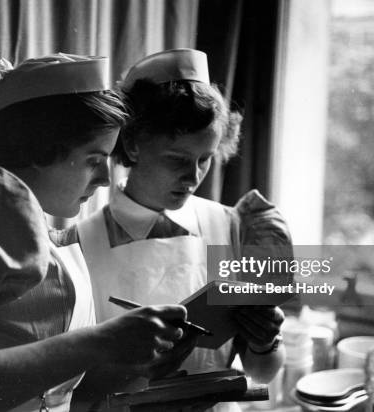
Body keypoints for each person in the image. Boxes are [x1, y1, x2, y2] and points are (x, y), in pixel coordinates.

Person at [0, 54, 196, 412]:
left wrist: (141, 365)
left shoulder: (49, 240)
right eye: (94, 160)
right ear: (40, 148)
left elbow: (46, 389)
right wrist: (101, 341)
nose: (105, 179)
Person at [75, 49, 292, 411]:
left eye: (204, 159)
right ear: (132, 144)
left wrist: (265, 342)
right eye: (177, 160)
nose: (193, 178)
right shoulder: (82, 244)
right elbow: (71, 393)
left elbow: (263, 372)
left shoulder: (232, 227)